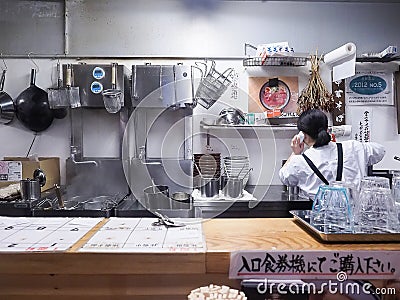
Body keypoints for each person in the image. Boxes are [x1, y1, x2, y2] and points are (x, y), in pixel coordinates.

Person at [279, 109, 386, 200]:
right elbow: (380, 151)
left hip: (322, 219)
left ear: (303, 135)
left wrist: (295, 152)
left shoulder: (300, 161)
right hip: (356, 215)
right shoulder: (354, 147)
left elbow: (284, 177)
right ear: (327, 129)